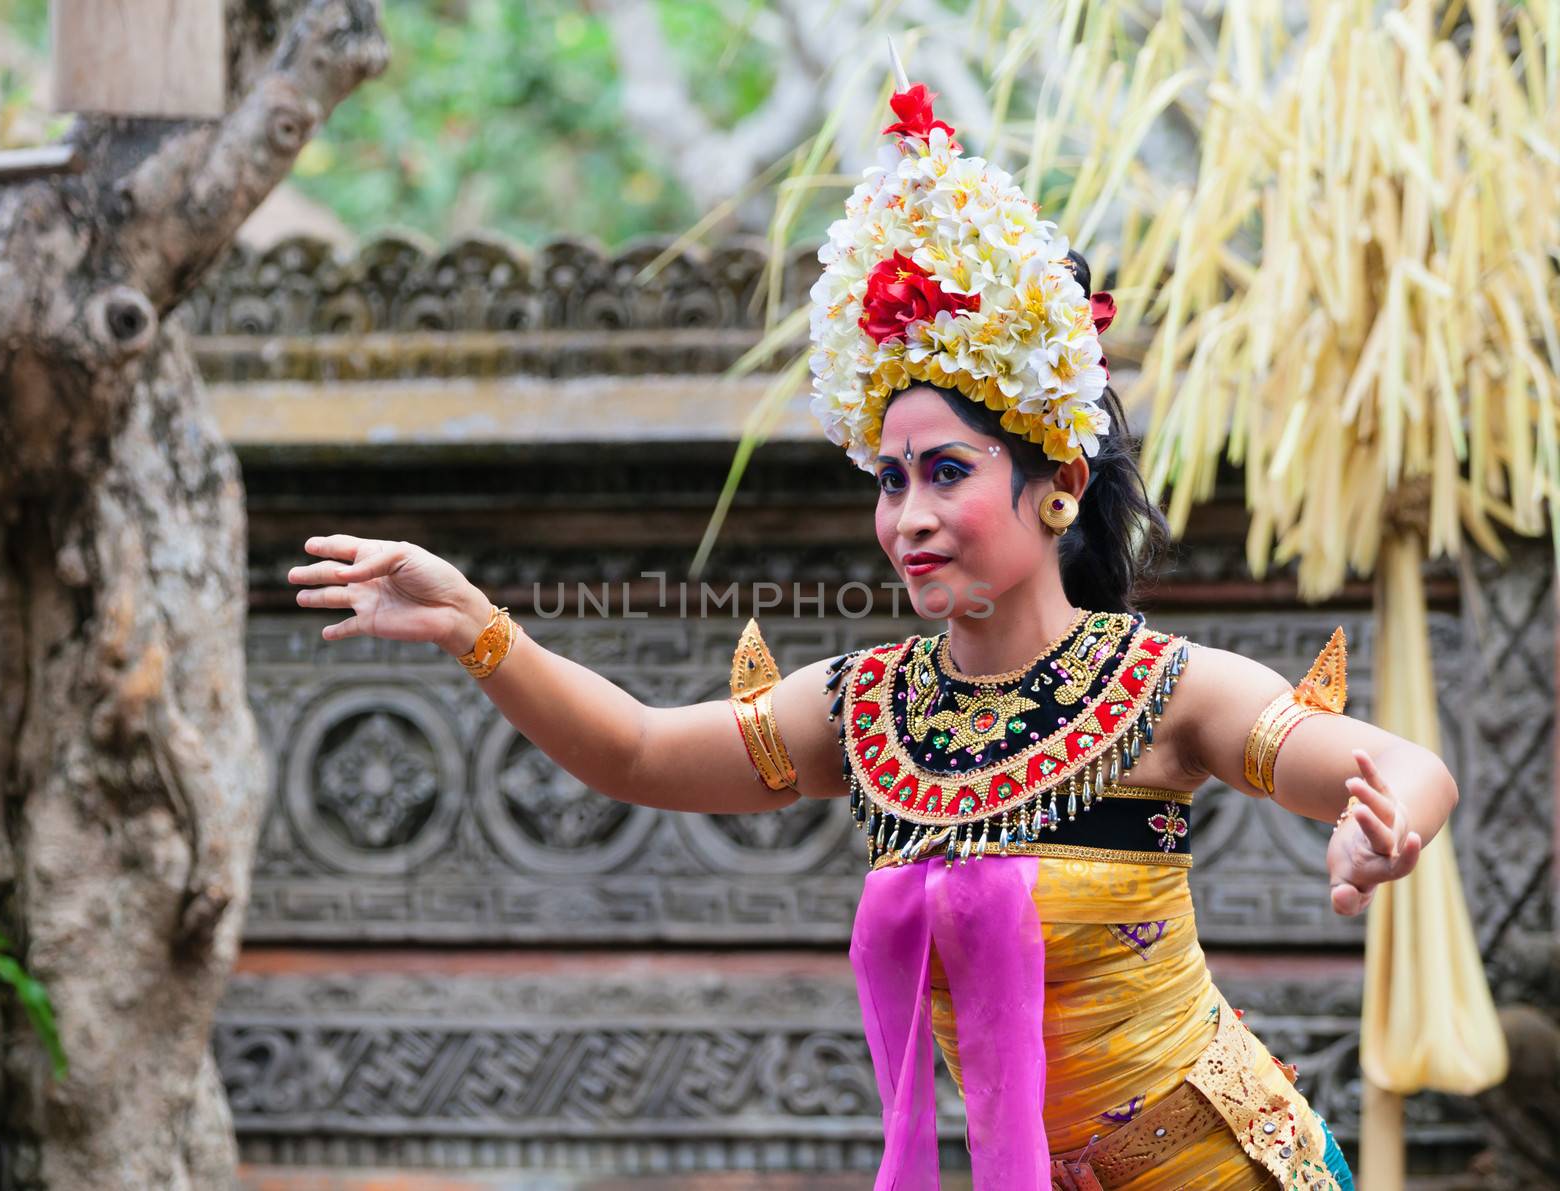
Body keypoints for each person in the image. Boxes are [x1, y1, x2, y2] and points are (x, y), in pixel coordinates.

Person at [287, 79, 1456, 1191]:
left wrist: (1384, 829)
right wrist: (476, 628)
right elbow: (637, 754)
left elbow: (1400, 765)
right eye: (890, 480)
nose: (909, 517)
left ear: (1056, 484)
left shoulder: (1163, 690)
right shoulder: (866, 709)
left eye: (948, 473)